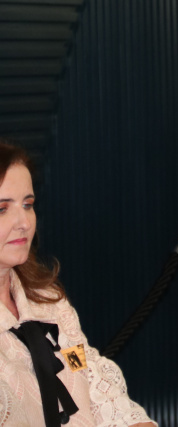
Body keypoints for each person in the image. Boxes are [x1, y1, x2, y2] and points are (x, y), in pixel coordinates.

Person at [0, 142, 156, 427]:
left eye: (28, 205)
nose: (24, 222)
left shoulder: (48, 301)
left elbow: (81, 366)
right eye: (2, 209)